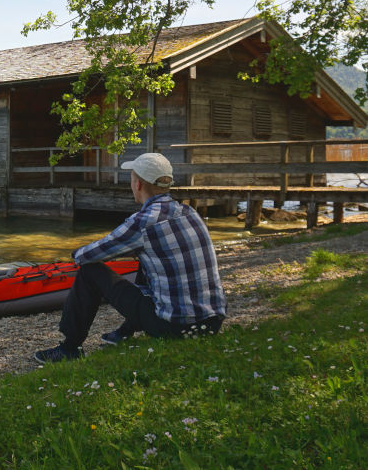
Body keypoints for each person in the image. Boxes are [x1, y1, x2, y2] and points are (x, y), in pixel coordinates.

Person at [34, 152, 227, 363]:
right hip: (211, 322)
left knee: (90, 271)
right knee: (146, 259)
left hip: (176, 328)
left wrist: (74, 254)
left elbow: (86, 256)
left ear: (138, 185)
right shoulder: (189, 212)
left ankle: (69, 348)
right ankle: (124, 332)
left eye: (132, 179)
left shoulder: (143, 222)